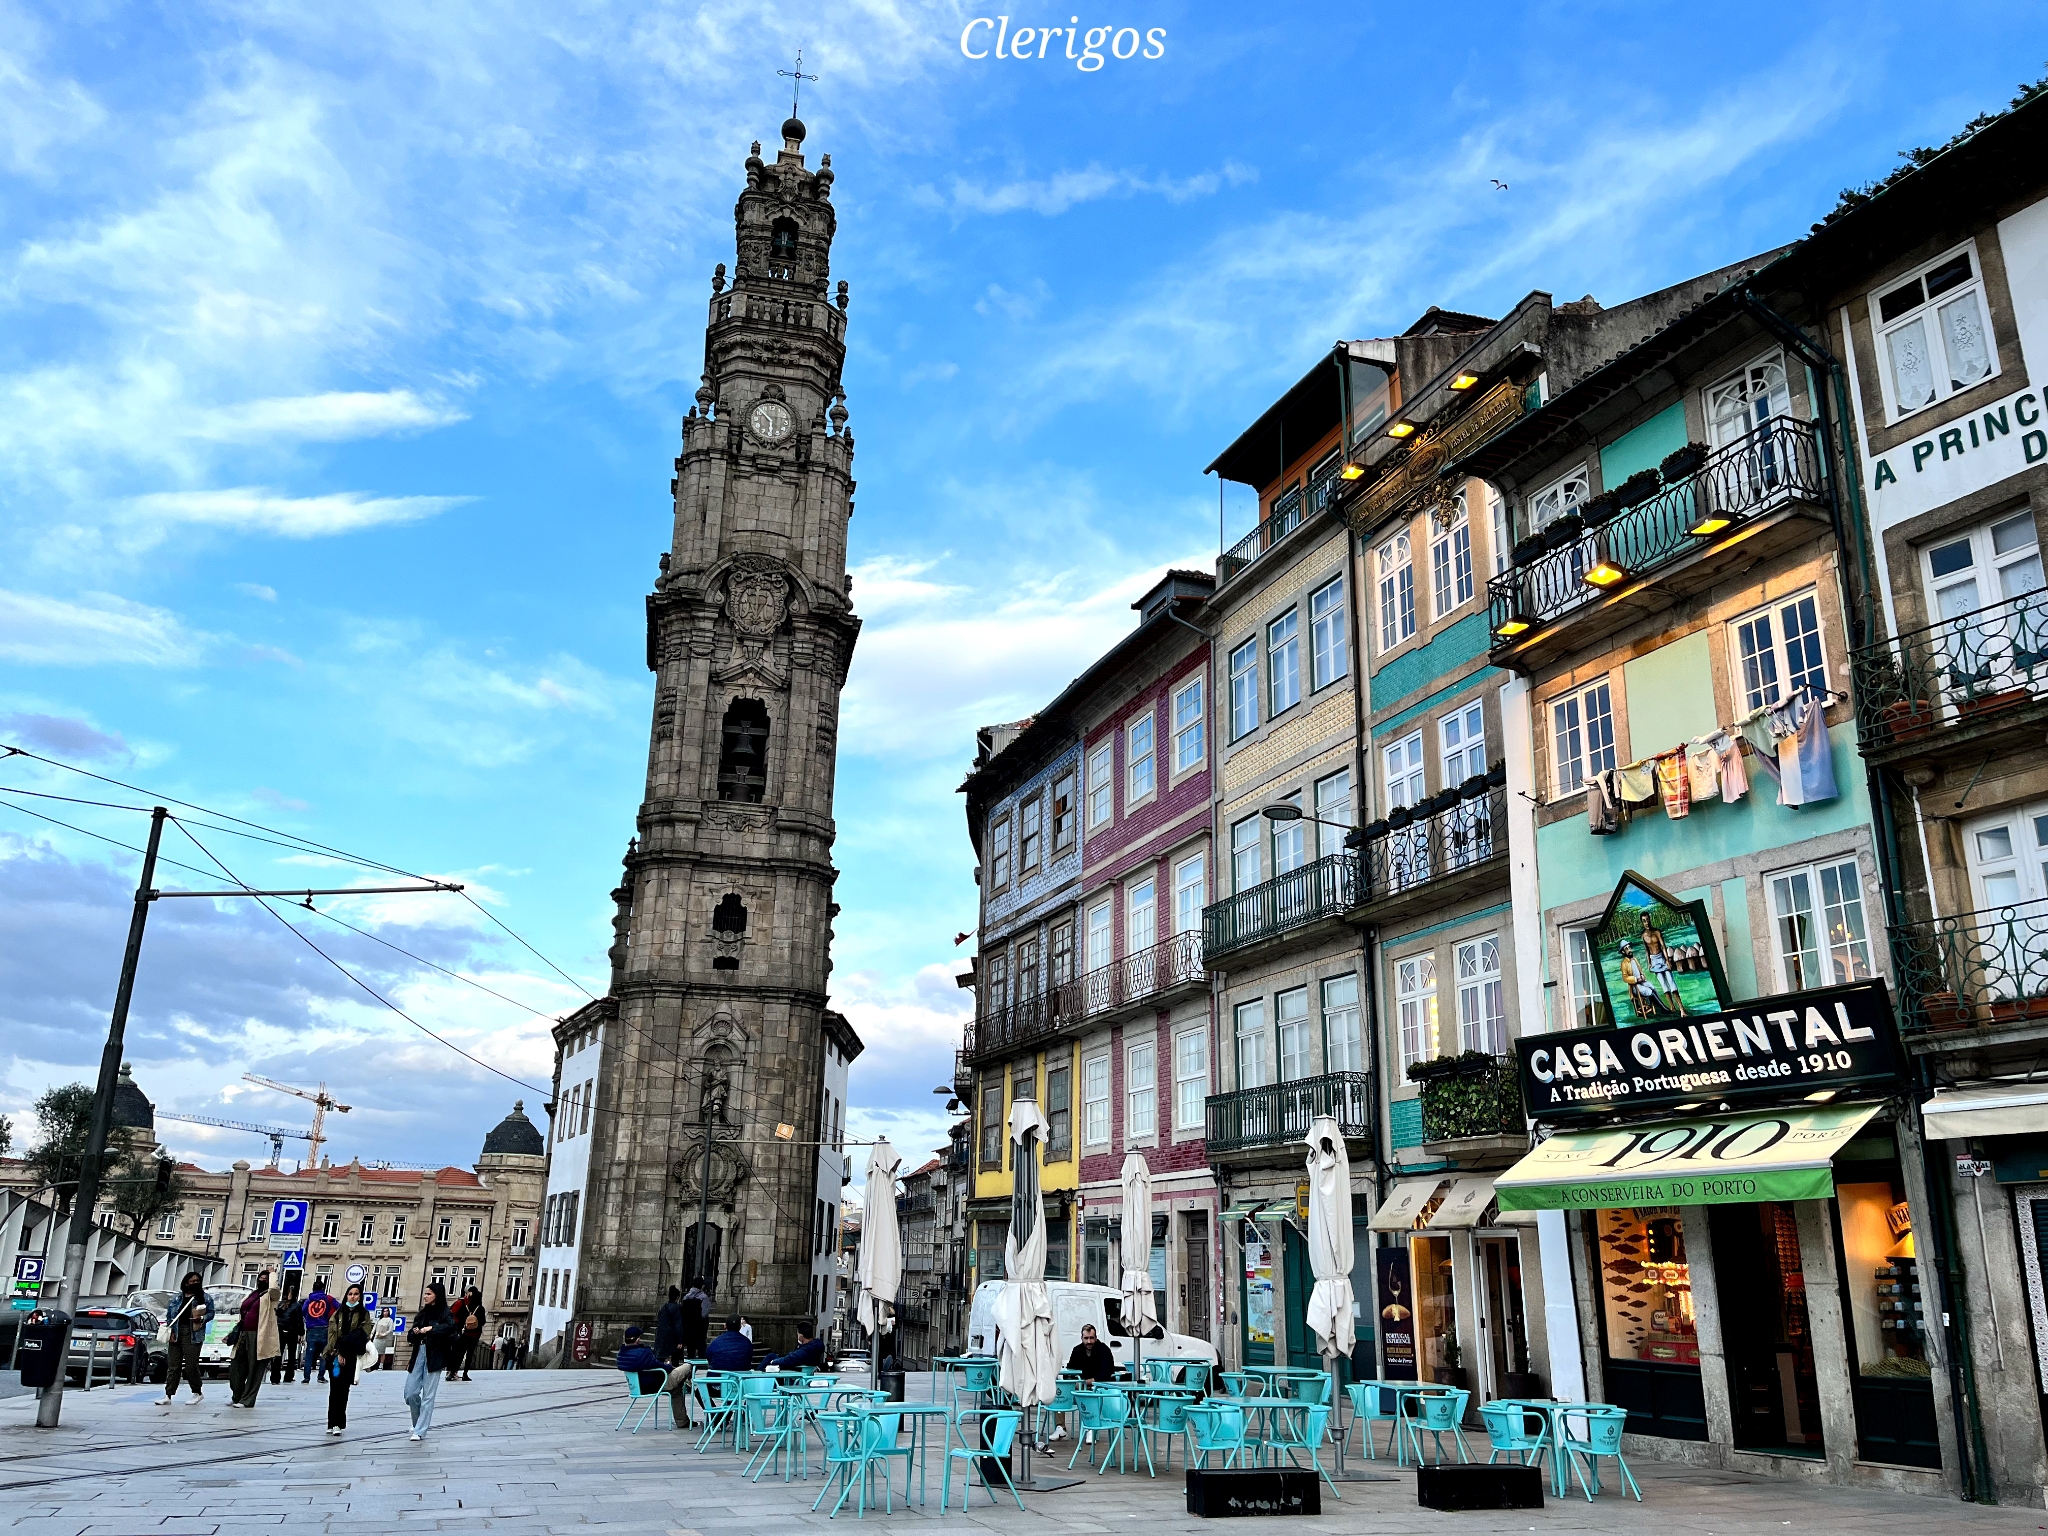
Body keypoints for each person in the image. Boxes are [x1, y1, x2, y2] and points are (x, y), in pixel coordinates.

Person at [319, 1283, 374, 1436]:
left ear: (360, 1296)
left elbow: (362, 1335)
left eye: (356, 1294)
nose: (353, 1297)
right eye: (350, 1294)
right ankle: (332, 1422)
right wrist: (337, 1352)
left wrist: (344, 1349)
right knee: (334, 1390)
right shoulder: (337, 1313)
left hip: (350, 1357)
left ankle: (338, 1423)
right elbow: (331, 1334)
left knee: (343, 1390)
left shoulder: (364, 1314)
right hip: (335, 1357)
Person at [405, 1282, 458, 1442]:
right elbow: (410, 1336)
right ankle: (417, 1422)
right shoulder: (421, 1314)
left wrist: (431, 1329)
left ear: (436, 1295)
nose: (425, 1296)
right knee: (410, 1393)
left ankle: (420, 1430)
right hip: (419, 1353)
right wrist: (415, 1332)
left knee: (428, 1395)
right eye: (425, 1293)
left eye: (428, 1294)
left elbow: (451, 1327)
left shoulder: (444, 1313)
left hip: (435, 1355)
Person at [156, 1272, 211, 1406]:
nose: (195, 1283)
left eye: (197, 1281)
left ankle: (197, 1392)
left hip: (193, 1333)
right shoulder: (177, 1298)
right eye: (192, 1281)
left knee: (191, 1365)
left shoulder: (204, 1297)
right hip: (176, 1331)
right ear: (186, 1283)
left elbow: (211, 1312)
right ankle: (168, 1394)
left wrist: (202, 1318)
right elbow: (170, 1315)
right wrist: (171, 1331)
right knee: (173, 1365)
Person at [228, 1269, 280, 1408]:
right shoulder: (253, 1294)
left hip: (260, 1335)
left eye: (265, 1279)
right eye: (260, 1278)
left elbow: (274, 1289)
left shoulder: (271, 1296)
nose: (262, 1280)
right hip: (244, 1333)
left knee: (254, 1369)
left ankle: (247, 1400)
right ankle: (237, 1396)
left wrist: (273, 1274)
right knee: (236, 1367)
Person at [299, 1280, 337, 1383]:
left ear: (313, 1288)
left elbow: (302, 1311)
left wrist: (309, 1319)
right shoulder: (328, 1299)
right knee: (324, 1354)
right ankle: (320, 1377)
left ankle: (306, 1378)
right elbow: (339, 1307)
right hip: (324, 1329)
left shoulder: (308, 1300)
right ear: (323, 1288)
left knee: (309, 1354)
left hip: (311, 1329)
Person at [272, 1274, 303, 1386]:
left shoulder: (281, 1304)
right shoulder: (297, 1305)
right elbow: (299, 1320)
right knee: (291, 1355)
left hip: (280, 1331)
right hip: (292, 1332)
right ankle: (288, 1376)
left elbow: (277, 1317)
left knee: (278, 1354)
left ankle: (275, 1377)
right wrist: (301, 1333)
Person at [450, 1287, 486, 1381]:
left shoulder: (466, 1306)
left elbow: (459, 1318)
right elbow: (483, 1322)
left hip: (465, 1334)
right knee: (470, 1355)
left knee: (460, 1353)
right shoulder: (481, 1308)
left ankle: (453, 1372)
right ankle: (465, 1374)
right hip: (475, 1335)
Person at [655, 1286, 686, 1366]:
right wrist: (680, 1340)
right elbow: (678, 1325)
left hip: (662, 1337)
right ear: (678, 1297)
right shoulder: (677, 1308)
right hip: (672, 1338)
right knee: (675, 1360)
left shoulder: (664, 1307)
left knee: (660, 1359)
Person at [680, 1281, 710, 1357]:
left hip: (688, 1328)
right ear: (702, 1286)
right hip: (700, 1328)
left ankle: (690, 1367)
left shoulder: (686, 1297)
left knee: (690, 1351)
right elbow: (704, 1314)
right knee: (702, 1351)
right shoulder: (704, 1297)